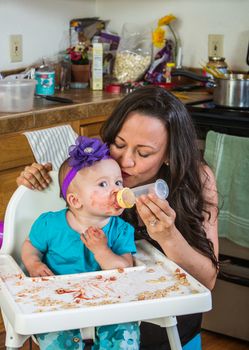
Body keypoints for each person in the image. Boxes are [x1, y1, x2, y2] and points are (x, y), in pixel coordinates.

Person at [17, 86, 219, 350]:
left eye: (143, 153)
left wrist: (168, 236)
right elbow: (55, 213)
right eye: (119, 144)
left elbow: (208, 281)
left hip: (167, 332)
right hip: (92, 327)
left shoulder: (198, 179)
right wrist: (33, 182)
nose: (125, 162)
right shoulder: (96, 166)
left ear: (169, 155)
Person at [21, 136, 139, 350]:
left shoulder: (121, 230)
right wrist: (34, 264)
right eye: (103, 184)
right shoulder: (50, 224)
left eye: (118, 182)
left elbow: (124, 268)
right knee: (55, 336)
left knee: (125, 333)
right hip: (59, 301)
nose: (116, 190)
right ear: (75, 200)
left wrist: (101, 250)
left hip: (109, 302)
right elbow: (31, 246)